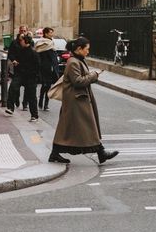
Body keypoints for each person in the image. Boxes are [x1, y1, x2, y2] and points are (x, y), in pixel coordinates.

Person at [49, 36, 119, 164]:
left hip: (78, 100)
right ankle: (101, 152)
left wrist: (91, 74)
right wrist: (94, 75)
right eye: (86, 49)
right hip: (76, 102)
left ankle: (55, 153)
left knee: (68, 128)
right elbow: (78, 81)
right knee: (87, 126)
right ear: (79, 49)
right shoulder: (73, 62)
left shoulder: (78, 60)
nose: (88, 51)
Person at [5, 34, 39, 121]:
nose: (20, 42)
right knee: (13, 88)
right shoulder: (20, 51)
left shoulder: (33, 53)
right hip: (20, 74)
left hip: (29, 76)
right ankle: (10, 108)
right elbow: (14, 57)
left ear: (25, 41)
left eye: (22, 41)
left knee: (31, 96)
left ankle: (34, 115)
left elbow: (37, 66)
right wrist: (15, 61)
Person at [35, 27, 60, 111]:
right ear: (45, 34)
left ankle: (45, 104)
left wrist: (55, 67)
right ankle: (41, 102)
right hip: (43, 68)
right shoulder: (41, 43)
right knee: (44, 85)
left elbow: (54, 57)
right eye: (50, 33)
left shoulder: (51, 43)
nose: (52, 34)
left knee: (48, 86)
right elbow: (38, 55)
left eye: (52, 32)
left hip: (50, 68)